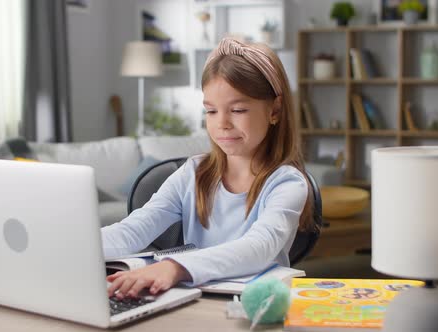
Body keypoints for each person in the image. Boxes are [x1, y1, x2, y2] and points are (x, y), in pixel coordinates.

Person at [102, 37, 314, 299]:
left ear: (275, 110)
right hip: (191, 301)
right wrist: (70, 245)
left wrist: (175, 267)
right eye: (211, 111)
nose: (222, 123)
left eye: (237, 110)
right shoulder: (191, 174)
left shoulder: (287, 183)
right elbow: (133, 231)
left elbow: (259, 247)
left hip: (255, 308)